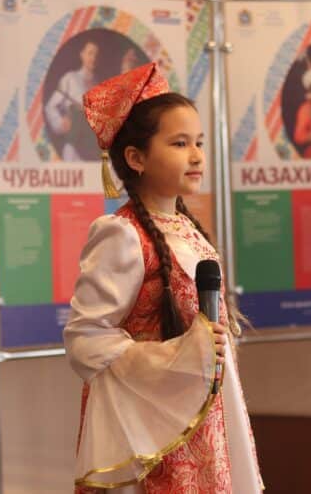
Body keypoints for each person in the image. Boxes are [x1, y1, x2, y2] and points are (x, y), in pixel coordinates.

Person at [63, 62, 263, 493]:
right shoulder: (121, 234)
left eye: (199, 142)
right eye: (179, 143)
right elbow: (85, 338)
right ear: (136, 158)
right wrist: (178, 355)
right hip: (153, 429)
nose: (196, 155)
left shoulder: (186, 227)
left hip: (205, 417)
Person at [45, 41, 99, 161]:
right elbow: (50, 106)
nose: (93, 58)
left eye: (96, 54)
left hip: (93, 149)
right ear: (82, 54)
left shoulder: (98, 84)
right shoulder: (70, 78)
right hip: (74, 149)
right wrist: (60, 122)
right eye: (90, 53)